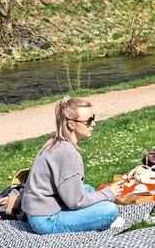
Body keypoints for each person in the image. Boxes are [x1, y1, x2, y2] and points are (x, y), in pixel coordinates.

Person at [21, 97, 121, 234]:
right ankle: (101, 221)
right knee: (109, 210)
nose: (94, 124)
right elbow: (76, 203)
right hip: (46, 219)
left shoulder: (56, 142)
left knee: (89, 189)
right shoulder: (67, 153)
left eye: (94, 118)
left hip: (39, 209)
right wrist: (108, 193)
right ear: (71, 125)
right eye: (88, 121)